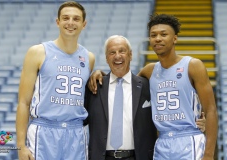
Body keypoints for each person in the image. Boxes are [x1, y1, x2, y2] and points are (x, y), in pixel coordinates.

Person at [88, 14, 215, 160]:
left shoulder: (193, 66)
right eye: (153, 35)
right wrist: (100, 73)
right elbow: (123, 80)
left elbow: (211, 109)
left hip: (188, 138)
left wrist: (209, 154)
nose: (158, 38)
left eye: (163, 34)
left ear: (175, 38)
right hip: (162, 144)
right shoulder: (149, 71)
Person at [16, 1, 95, 160]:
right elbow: (23, 102)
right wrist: (21, 146)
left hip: (76, 133)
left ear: (84, 24)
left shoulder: (89, 58)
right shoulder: (38, 52)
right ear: (58, 22)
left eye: (76, 19)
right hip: (44, 130)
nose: (70, 23)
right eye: (66, 18)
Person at [84, 35, 157, 160]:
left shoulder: (147, 86)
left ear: (130, 54)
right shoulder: (93, 87)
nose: (117, 56)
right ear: (107, 58)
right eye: (112, 52)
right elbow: (79, 119)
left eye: (122, 51)